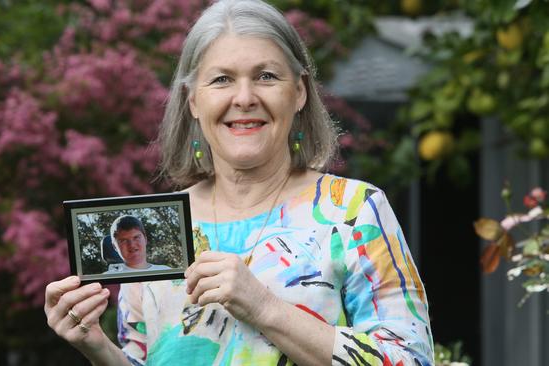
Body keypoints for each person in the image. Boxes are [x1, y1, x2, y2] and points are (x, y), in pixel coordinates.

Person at [44, 0, 434, 365]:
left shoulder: (352, 211)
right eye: (221, 80)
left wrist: (263, 307)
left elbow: (411, 359)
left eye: (266, 76)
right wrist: (97, 347)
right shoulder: (156, 226)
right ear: (193, 100)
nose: (244, 98)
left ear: (298, 92)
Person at [102, 215, 170, 273]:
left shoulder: (166, 271)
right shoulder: (107, 279)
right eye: (123, 240)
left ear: (145, 239)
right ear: (115, 247)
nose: (131, 245)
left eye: (136, 237)